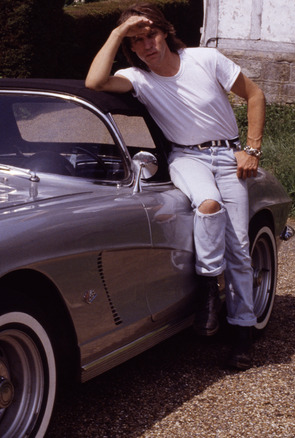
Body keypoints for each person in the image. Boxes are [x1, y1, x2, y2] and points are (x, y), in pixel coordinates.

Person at [85, 3, 266, 370]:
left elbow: (255, 96)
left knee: (241, 250)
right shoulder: (137, 79)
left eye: (150, 34)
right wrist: (117, 33)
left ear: (164, 32)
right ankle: (208, 290)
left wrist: (252, 150)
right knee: (208, 205)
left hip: (229, 156)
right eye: (136, 41)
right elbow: (94, 82)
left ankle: (243, 334)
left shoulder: (206, 59)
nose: (146, 45)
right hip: (186, 157)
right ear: (130, 48)